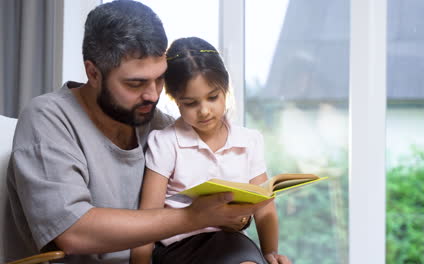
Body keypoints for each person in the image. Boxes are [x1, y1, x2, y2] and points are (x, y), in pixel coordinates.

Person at [3, 1, 270, 263]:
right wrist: (194, 216)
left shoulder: (162, 127)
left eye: (159, 78)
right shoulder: (48, 118)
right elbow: (73, 233)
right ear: (93, 73)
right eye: (135, 83)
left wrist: (234, 216)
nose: (153, 95)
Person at [130, 37, 291, 264]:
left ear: (226, 89)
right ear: (175, 101)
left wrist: (270, 255)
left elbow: (265, 210)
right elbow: (147, 219)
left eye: (213, 97)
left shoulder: (249, 141)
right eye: (191, 103)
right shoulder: (166, 142)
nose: (204, 110)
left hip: (231, 243)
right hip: (179, 249)